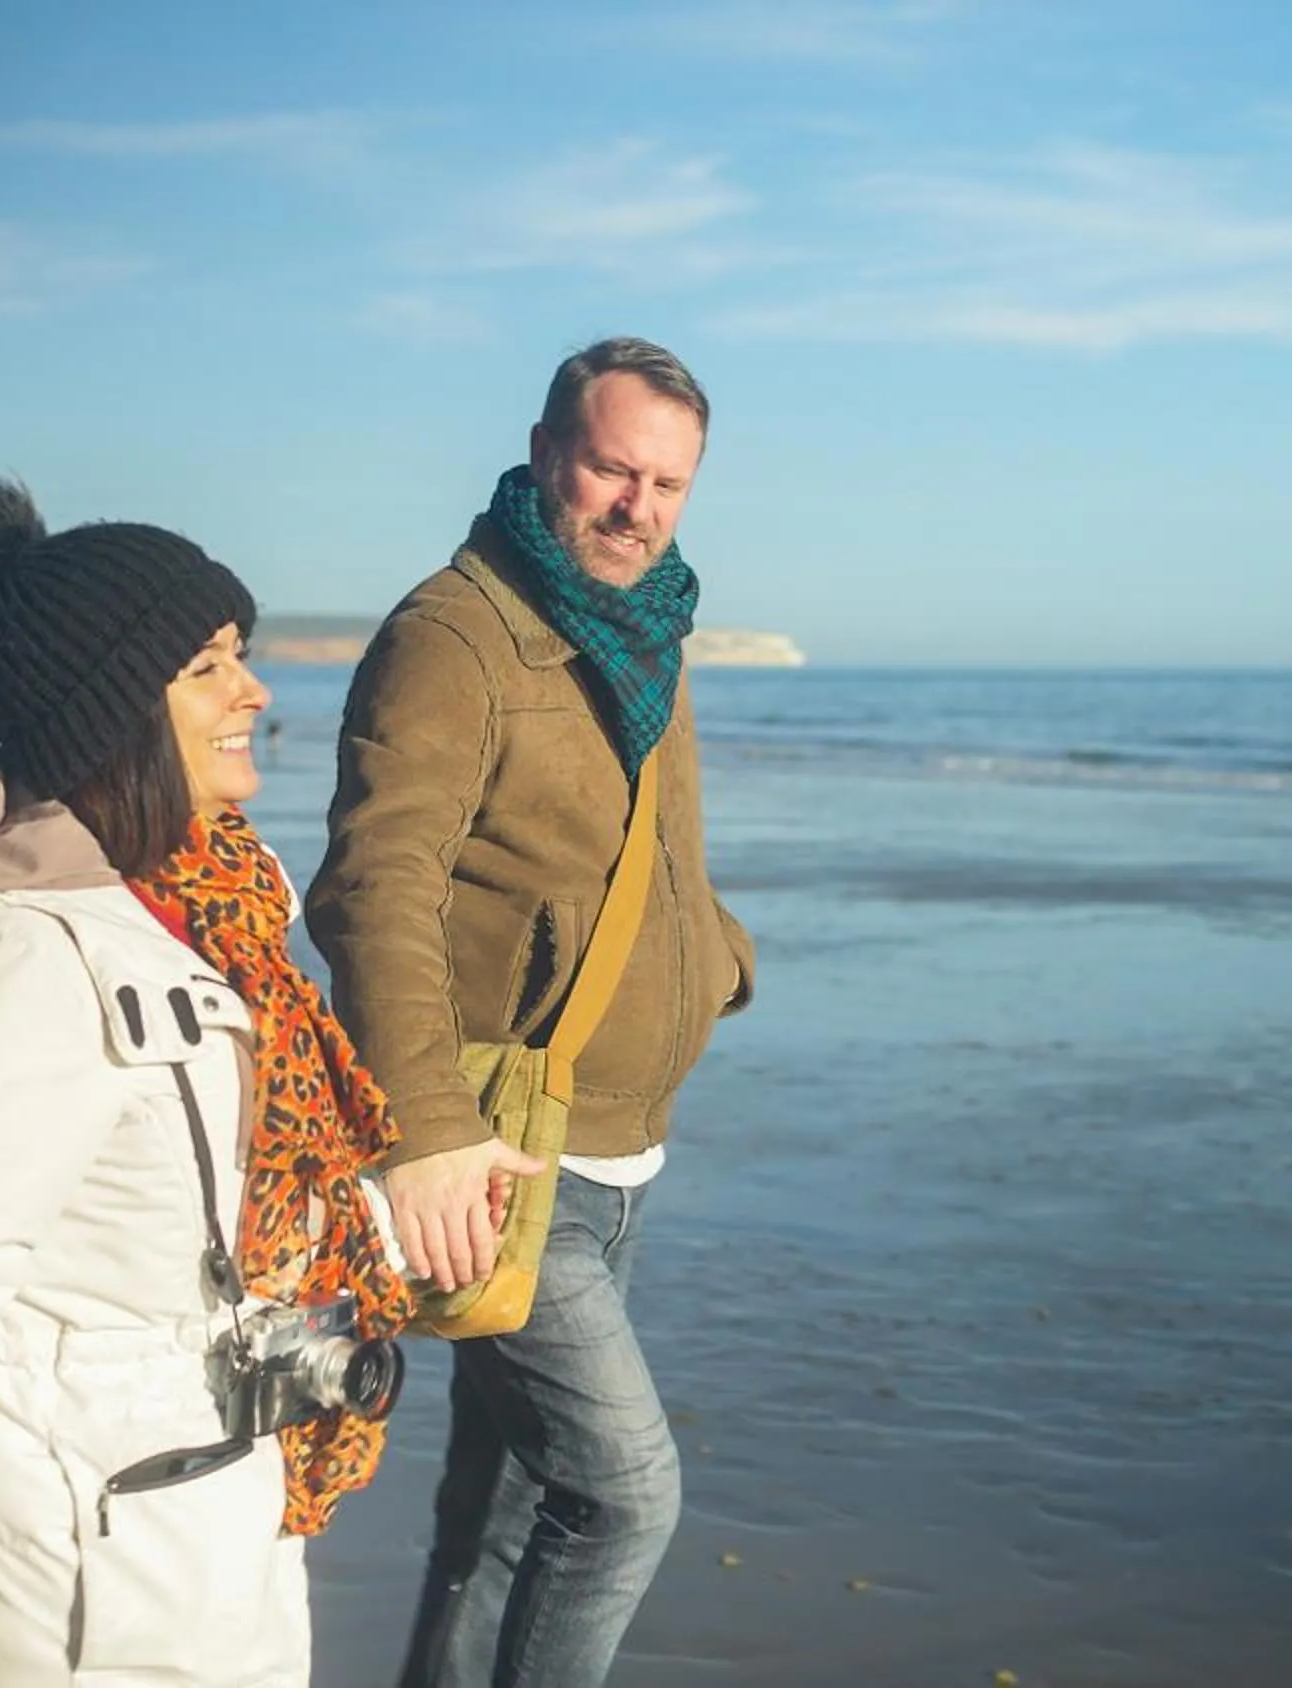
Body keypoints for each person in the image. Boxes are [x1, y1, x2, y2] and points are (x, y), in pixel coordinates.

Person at [0, 473, 414, 1687]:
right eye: (209, 665)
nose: (254, 689)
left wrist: (397, 1210)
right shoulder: (19, 959)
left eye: (240, 654)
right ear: (112, 712)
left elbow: (203, 1196)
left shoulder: (200, 907)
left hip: (212, 1524)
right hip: (86, 1578)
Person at [307, 337, 757, 1688]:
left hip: (620, 1141)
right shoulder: (457, 634)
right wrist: (426, 1129)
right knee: (625, 1496)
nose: (638, 509)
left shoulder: (648, 624)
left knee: (503, 1514)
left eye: (669, 483)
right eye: (615, 469)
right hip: (500, 1154)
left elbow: (642, 847)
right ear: (548, 449)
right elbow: (372, 888)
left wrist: (714, 956)